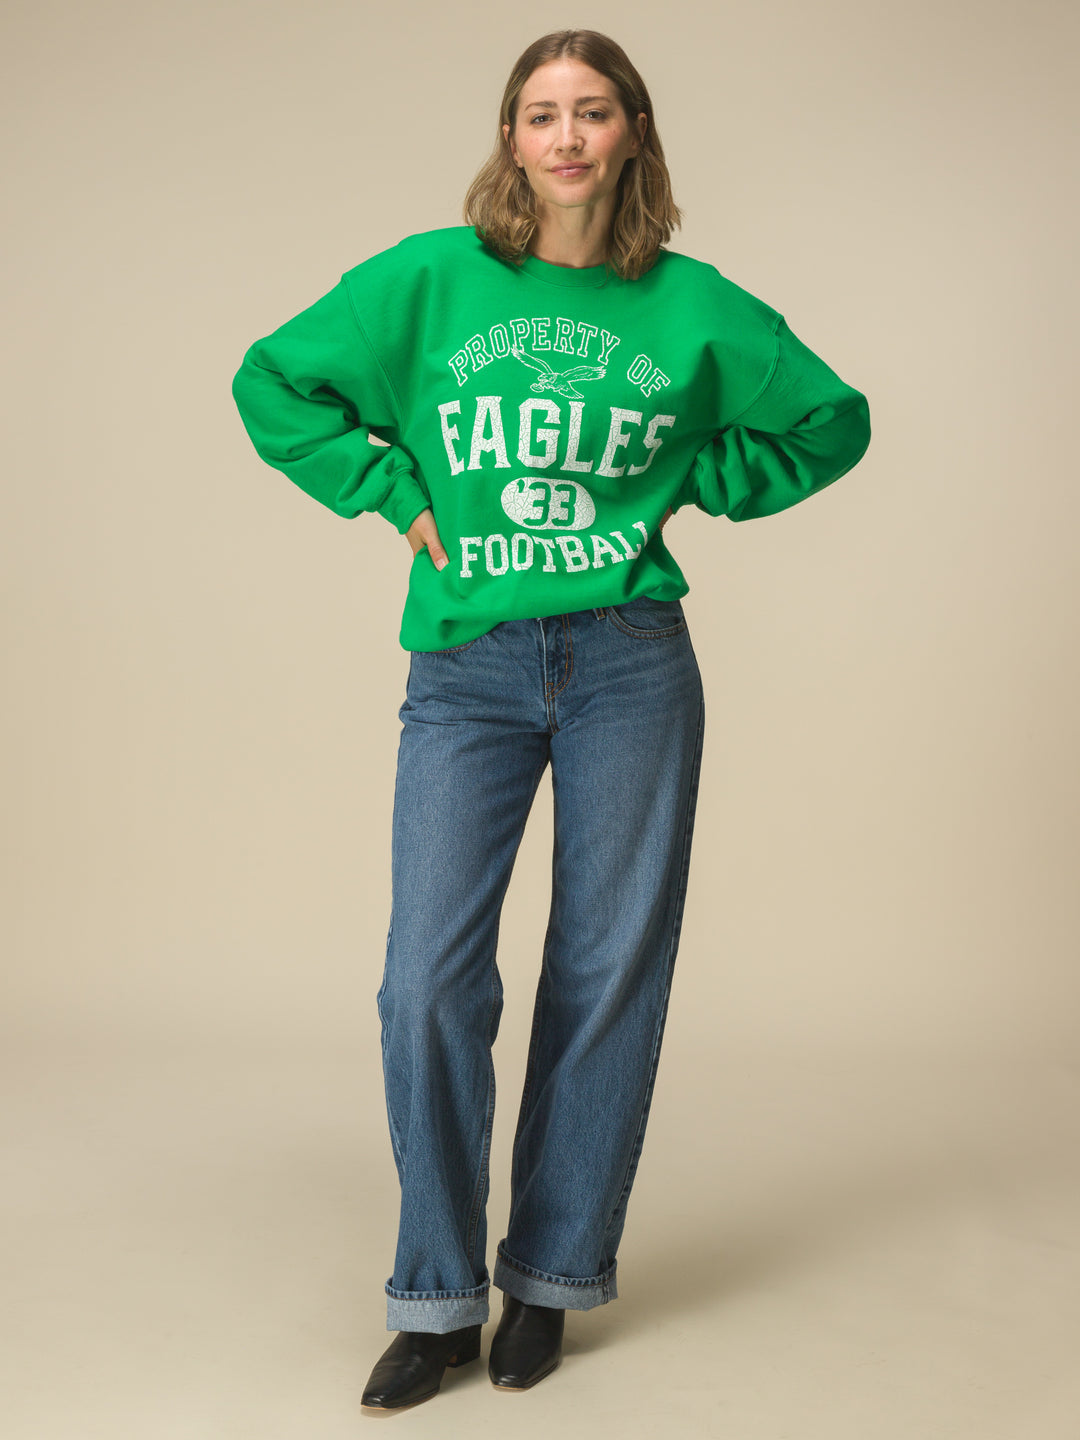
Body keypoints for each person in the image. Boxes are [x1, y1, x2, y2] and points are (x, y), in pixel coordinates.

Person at [231, 27, 871, 1415]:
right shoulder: (429, 280)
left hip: (632, 657)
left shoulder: (694, 307)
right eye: (541, 114)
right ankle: (436, 1295)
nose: (567, 137)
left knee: (606, 971)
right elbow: (271, 381)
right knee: (426, 982)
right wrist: (396, 498)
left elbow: (828, 424)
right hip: (470, 664)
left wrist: (695, 476)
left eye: (593, 112)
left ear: (634, 132)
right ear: (509, 138)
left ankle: (551, 1283)